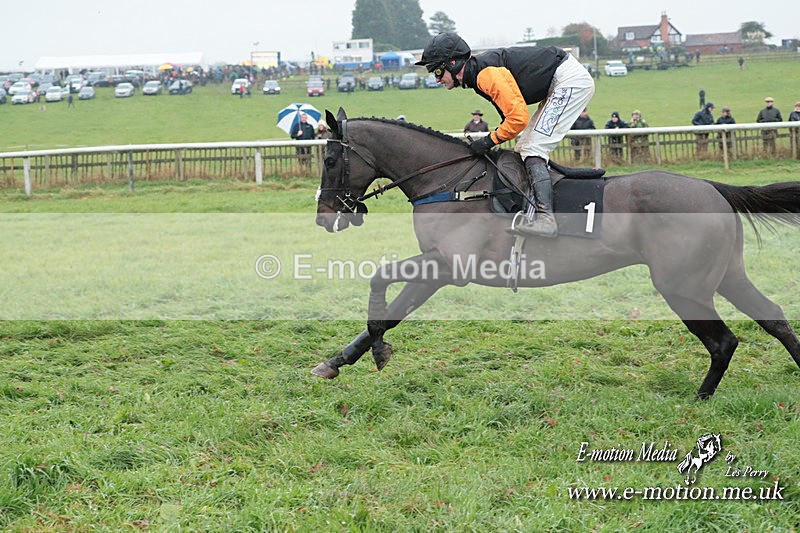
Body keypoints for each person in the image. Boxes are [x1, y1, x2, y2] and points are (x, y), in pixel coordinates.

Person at [415, 32, 595, 238]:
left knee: (533, 148)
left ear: (453, 63)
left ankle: (546, 219)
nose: (437, 79)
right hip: (560, 80)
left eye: (437, 71)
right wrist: (492, 139)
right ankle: (534, 209)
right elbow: (510, 117)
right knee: (525, 146)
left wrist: (488, 141)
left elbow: (518, 119)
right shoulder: (478, 74)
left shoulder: (485, 74)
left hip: (568, 81)